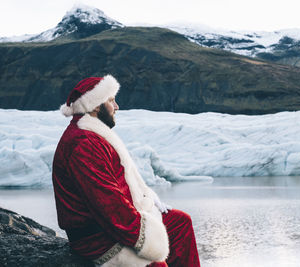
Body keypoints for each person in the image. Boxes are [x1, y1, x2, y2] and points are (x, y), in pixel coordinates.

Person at [52, 75, 201, 267]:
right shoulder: (84, 144)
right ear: (96, 105)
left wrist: (147, 198)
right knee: (155, 264)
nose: (117, 107)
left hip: (108, 225)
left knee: (181, 224)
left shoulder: (92, 135)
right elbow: (109, 206)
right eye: (111, 100)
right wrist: (147, 241)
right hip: (96, 237)